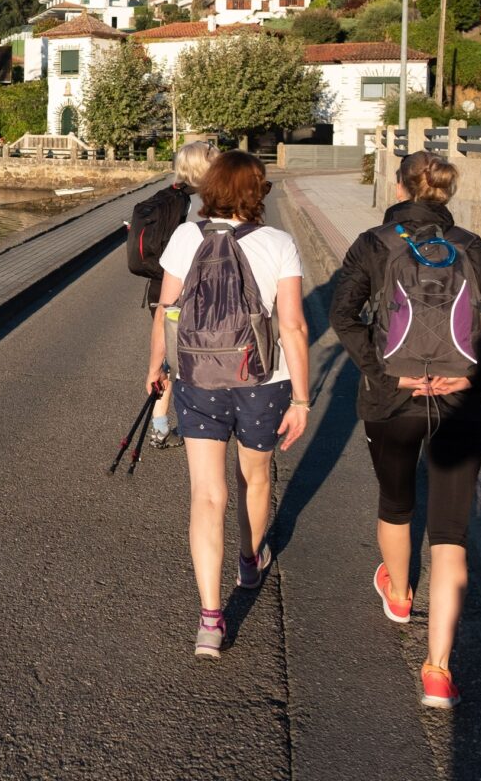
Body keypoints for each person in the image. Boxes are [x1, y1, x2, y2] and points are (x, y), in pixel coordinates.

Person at [330, 151, 481, 710]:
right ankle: (438, 670)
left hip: (390, 402)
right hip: (461, 403)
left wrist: (383, 373)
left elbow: (343, 315)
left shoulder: (373, 244)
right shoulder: (472, 247)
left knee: (396, 502)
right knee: (450, 536)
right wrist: (478, 372)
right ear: (446, 193)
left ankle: (398, 594)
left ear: (399, 186)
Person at [146, 151, 311, 660]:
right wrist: (303, 398)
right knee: (254, 478)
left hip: (198, 376)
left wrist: (157, 367)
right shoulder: (279, 243)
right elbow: (293, 327)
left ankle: (211, 619)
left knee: (207, 495)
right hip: (264, 380)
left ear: (210, 188)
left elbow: (167, 312)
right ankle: (247, 559)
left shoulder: (186, 238)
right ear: (257, 191)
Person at [146, 141, 216, 449]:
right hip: (196, 293)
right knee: (190, 363)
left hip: (163, 285)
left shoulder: (173, 198)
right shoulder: (209, 202)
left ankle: (159, 425)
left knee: (168, 360)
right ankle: (197, 426)